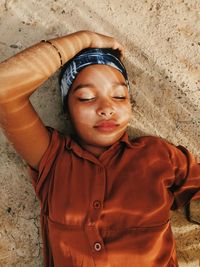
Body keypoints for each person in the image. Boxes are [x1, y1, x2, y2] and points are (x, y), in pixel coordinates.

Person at [0, 30, 199, 267]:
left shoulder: (158, 155)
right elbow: (4, 88)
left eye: (119, 96)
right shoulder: (52, 160)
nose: (106, 108)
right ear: (67, 109)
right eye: (86, 98)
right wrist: (86, 39)